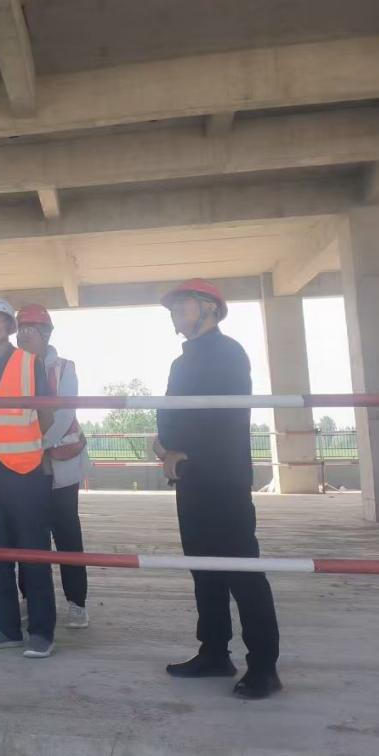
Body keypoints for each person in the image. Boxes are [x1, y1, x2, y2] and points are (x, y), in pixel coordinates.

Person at [154, 279, 282, 700]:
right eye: (172, 308)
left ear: (209, 308)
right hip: (189, 478)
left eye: (183, 305)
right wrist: (165, 448)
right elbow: (169, 413)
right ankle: (213, 652)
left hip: (222, 478)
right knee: (203, 568)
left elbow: (220, 421)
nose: (175, 313)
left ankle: (263, 666)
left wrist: (180, 452)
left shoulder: (228, 354)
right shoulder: (181, 362)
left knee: (242, 571)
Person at [0, 299, 59, 659]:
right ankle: (6, 627)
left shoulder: (29, 363)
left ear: (10, 327)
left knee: (33, 553)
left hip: (25, 470)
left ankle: (41, 631)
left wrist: (28, 444)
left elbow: (46, 414)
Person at [15, 304, 92, 630]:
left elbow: (64, 412)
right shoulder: (13, 367)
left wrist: (39, 443)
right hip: (25, 464)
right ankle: (29, 597)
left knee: (67, 532)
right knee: (28, 533)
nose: (24, 335)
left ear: (46, 334)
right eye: (20, 329)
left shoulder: (64, 368)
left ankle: (77, 602)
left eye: (31, 329)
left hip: (60, 461)